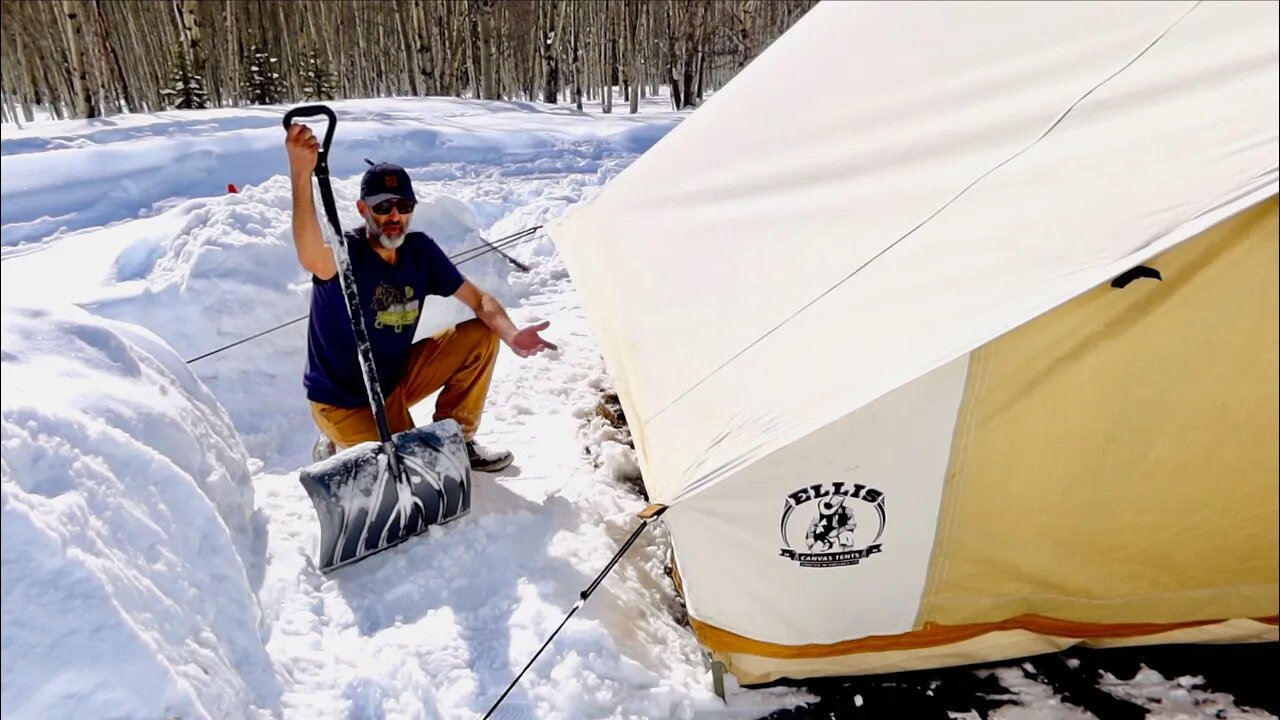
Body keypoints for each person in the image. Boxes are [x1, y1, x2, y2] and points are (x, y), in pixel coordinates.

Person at [285, 122, 555, 472]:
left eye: (403, 205)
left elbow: (480, 301)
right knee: (419, 470)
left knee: (481, 334)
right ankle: (338, 438)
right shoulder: (345, 253)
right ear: (363, 209)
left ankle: (460, 438)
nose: (394, 216)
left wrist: (512, 334)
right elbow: (309, 254)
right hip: (344, 400)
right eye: (382, 206)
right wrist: (300, 175)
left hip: (393, 381)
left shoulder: (419, 251)